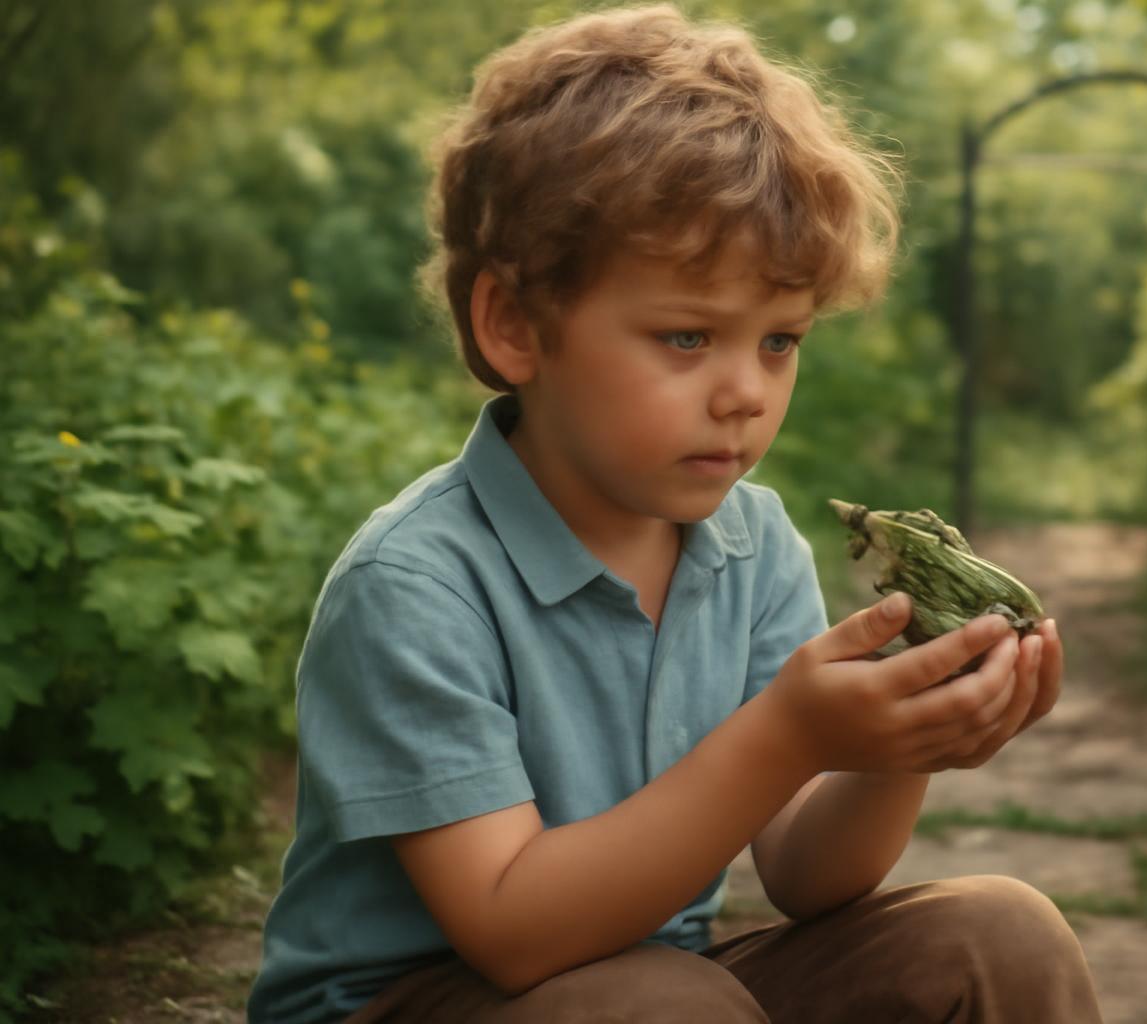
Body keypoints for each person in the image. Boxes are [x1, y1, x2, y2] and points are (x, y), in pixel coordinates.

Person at [247, 4, 1103, 1021]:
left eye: (780, 340)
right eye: (689, 338)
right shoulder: (419, 583)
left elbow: (805, 872)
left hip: (660, 983)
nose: (746, 391)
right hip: (422, 999)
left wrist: (900, 744)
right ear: (516, 323)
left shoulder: (752, 547)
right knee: (671, 1002)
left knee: (998, 932)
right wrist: (784, 734)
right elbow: (512, 929)